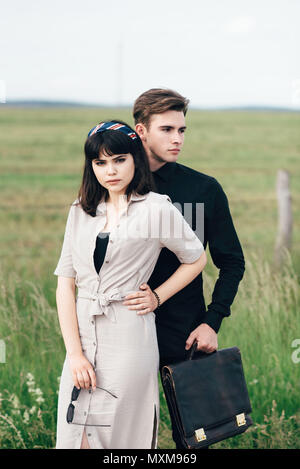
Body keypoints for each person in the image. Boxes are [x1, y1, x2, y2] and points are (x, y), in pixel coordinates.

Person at [54, 120, 207, 449]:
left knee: (120, 441)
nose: (110, 170)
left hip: (129, 341)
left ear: (135, 159)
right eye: (100, 162)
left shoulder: (156, 208)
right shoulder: (80, 211)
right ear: (91, 166)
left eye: (119, 159)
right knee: (74, 438)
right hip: (81, 341)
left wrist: (158, 296)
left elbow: (196, 258)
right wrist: (75, 355)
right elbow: (65, 286)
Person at [132, 88, 246, 449]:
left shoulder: (204, 189)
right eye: (167, 129)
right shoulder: (116, 186)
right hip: (127, 329)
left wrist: (212, 321)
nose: (177, 138)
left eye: (182, 130)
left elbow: (232, 263)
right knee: (127, 435)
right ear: (140, 131)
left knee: (194, 438)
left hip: (184, 332)